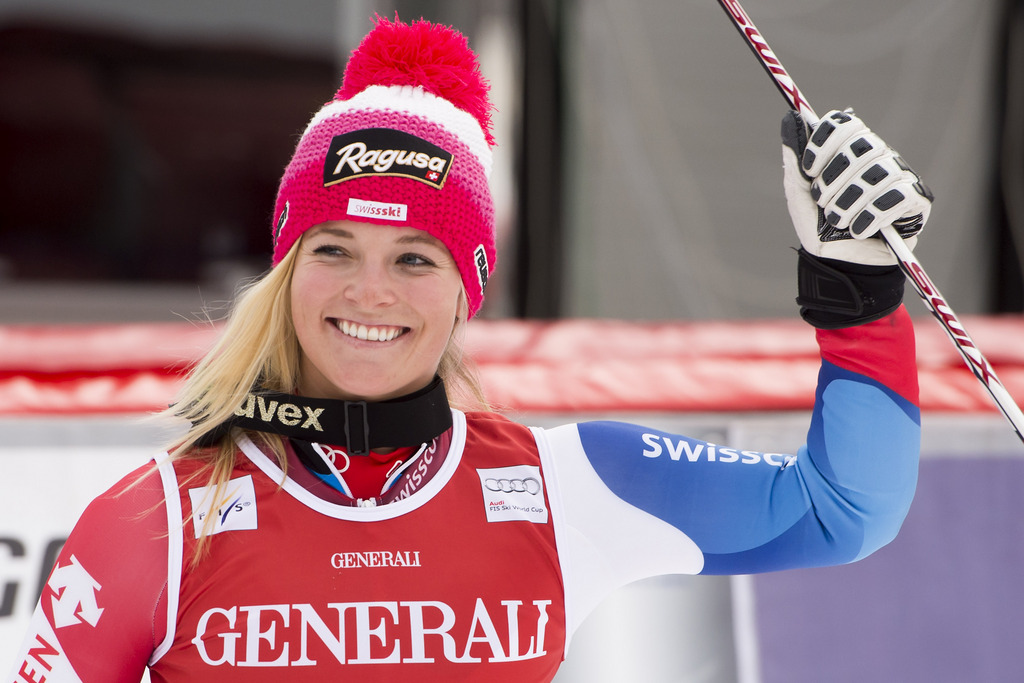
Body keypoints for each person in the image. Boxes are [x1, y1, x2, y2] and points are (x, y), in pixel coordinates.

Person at [8, 15, 932, 683]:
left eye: (416, 257)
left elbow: (844, 511)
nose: (371, 291)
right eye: (333, 250)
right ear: (288, 269)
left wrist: (854, 291)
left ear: (467, 289)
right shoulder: (160, 522)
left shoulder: (571, 487)